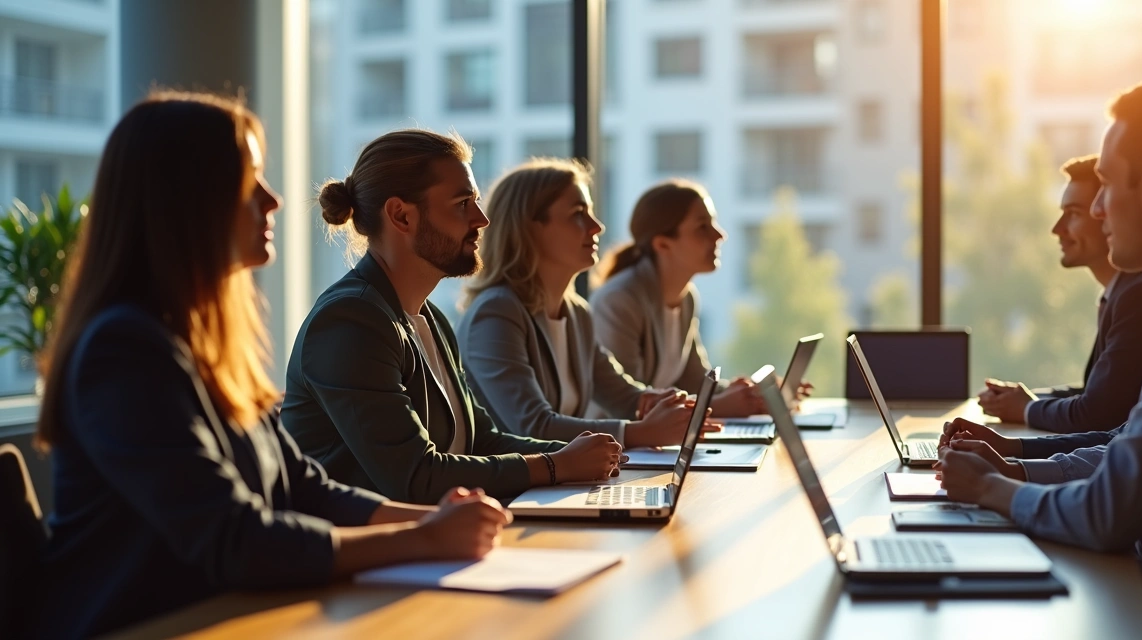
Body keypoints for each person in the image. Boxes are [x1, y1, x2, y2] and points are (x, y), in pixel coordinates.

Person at [28, 94, 510, 639]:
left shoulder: (205, 347)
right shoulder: (122, 351)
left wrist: (435, 521)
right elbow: (234, 538)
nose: (274, 199)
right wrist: (424, 540)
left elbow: (307, 490)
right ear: (182, 199)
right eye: (248, 177)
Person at [937, 74, 1142, 637]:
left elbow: (1110, 511)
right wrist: (1015, 468)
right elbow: (1125, 449)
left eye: (1108, 186)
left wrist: (995, 490)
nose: (1097, 212)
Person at [281, 131, 623, 505]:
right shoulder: (350, 322)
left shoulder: (430, 318)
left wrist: (584, 454)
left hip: (434, 540)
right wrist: (556, 465)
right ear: (401, 216)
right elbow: (415, 476)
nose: (482, 219)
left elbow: (481, 440)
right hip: (367, 555)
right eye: (463, 203)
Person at [457, 159, 702, 446]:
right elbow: (532, 426)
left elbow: (622, 395)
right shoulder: (496, 313)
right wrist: (641, 432)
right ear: (529, 228)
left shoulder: (576, 313)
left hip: (555, 483)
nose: (596, 227)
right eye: (578, 213)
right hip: (506, 490)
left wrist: (666, 404)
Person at [978, 155, 1142, 433]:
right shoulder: (1121, 293)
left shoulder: (1138, 295)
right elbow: (1098, 393)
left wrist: (1026, 408)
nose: (1057, 229)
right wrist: (1025, 399)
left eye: (1073, 213)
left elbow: (1098, 413)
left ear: (1105, 213)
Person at [589, 179, 772, 417]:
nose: (719, 235)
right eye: (702, 227)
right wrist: (718, 406)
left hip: (654, 448)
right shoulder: (619, 301)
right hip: (618, 447)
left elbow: (696, 383)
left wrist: (756, 394)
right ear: (663, 244)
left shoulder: (685, 298)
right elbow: (628, 403)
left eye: (713, 223)